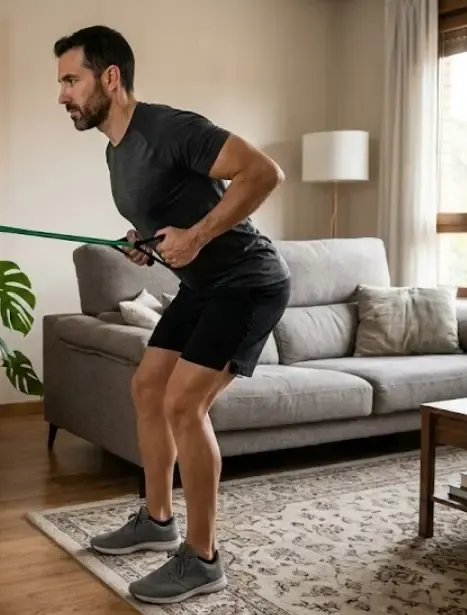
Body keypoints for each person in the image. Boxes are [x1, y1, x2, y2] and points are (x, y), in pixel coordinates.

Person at [53, 25, 291, 605]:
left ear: (110, 78)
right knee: (147, 386)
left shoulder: (170, 128)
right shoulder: (116, 152)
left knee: (186, 403)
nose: (62, 95)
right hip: (202, 287)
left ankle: (204, 558)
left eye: (70, 80)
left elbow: (263, 172)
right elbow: (170, 214)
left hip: (248, 283)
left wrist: (200, 235)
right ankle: (157, 520)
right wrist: (146, 240)